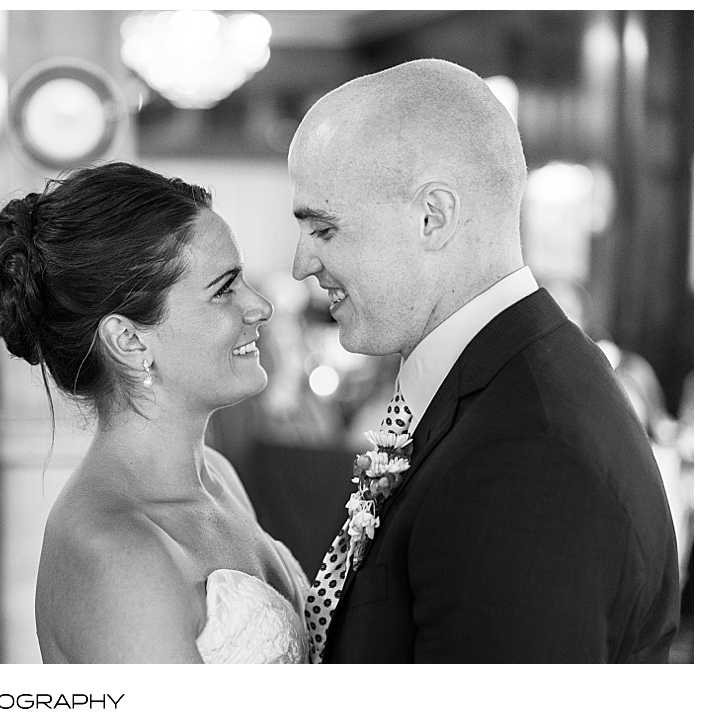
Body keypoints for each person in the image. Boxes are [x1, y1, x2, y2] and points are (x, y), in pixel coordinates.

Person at [288, 58, 681, 663]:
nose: (301, 265)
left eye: (324, 230)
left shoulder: (528, 455)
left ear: (432, 217)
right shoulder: (507, 380)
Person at [0, 162, 309, 663]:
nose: (259, 307)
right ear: (128, 340)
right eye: (224, 288)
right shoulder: (114, 552)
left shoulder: (220, 478)